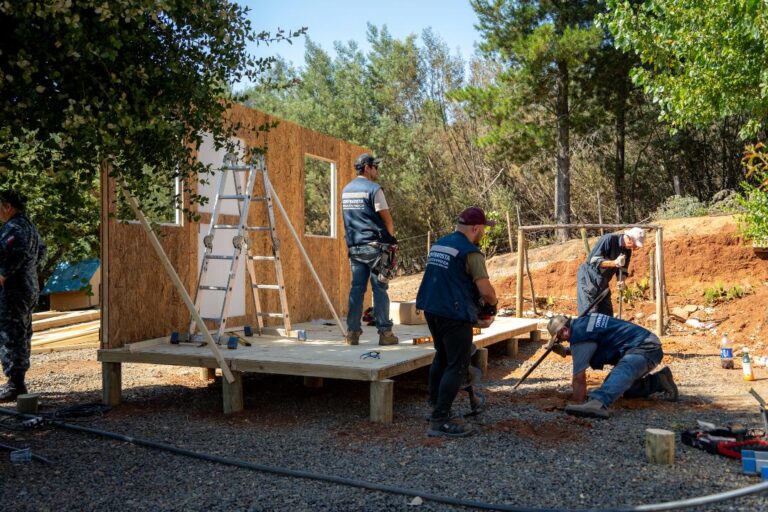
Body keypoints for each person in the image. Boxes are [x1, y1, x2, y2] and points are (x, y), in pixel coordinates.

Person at [416, 207, 498, 437]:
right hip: (453, 313)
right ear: (476, 228)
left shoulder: (440, 244)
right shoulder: (471, 253)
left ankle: (435, 405)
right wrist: (492, 305)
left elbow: (447, 278)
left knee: (442, 357)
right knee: (457, 364)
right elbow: (485, 290)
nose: (483, 233)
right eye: (483, 229)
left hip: (431, 308)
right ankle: (440, 420)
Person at [545, 313, 678, 419]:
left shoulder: (579, 336)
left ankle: (598, 403)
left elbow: (578, 378)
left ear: (564, 331)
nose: (564, 341)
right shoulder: (584, 323)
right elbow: (593, 346)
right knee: (616, 386)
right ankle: (659, 381)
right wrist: (566, 351)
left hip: (644, 347)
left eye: (561, 339)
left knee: (622, 372)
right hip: (643, 346)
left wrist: (578, 403)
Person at [341, 153, 398, 346]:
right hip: (375, 248)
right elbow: (387, 219)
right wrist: (391, 241)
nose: (377, 171)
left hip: (355, 247)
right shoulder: (374, 189)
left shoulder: (346, 190)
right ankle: (385, 334)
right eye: (375, 167)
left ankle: (352, 334)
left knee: (356, 289)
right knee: (379, 288)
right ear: (367, 168)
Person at [0, 190, 46, 401]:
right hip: (28, 287)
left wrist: (4, 274)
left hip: (14, 290)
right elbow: (41, 251)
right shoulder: (29, 227)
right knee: (22, 333)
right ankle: (17, 382)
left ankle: (15, 384)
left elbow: (15, 253)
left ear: (8, 206)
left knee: (11, 335)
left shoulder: (14, 228)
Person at [576, 227, 645, 316]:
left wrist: (621, 280)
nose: (635, 248)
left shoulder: (627, 250)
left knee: (607, 314)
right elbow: (594, 261)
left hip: (603, 281)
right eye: (635, 244)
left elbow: (623, 269)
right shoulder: (609, 239)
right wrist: (614, 263)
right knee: (589, 312)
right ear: (628, 238)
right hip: (588, 277)